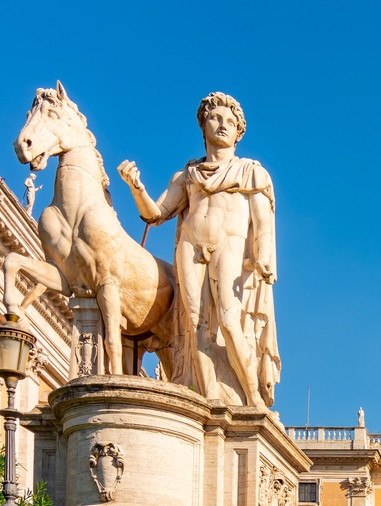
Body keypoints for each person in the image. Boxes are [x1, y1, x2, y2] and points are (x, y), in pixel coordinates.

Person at [118, 92, 279, 408]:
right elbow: (156, 214)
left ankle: (253, 398)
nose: (222, 125)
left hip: (229, 245)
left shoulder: (251, 172)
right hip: (191, 247)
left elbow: (263, 222)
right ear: (203, 126)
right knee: (194, 327)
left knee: (230, 322)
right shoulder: (187, 175)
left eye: (230, 122)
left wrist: (263, 256)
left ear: (238, 132)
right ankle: (212, 400)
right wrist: (137, 189)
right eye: (215, 118)